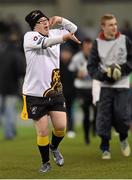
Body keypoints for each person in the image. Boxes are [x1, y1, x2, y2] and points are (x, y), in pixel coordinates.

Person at [21, 10, 80, 173]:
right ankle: (45, 162)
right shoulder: (29, 37)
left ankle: (54, 147)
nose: (45, 22)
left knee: (61, 128)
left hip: (54, 91)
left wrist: (61, 19)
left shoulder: (54, 32)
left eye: (46, 19)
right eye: (41, 21)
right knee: (42, 131)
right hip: (34, 93)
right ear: (34, 26)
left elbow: (74, 28)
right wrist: (64, 38)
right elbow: (45, 43)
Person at [87, 14, 132, 159]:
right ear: (103, 26)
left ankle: (123, 138)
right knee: (104, 116)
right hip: (104, 85)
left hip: (122, 84)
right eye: (110, 24)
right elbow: (91, 67)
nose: (114, 27)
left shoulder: (125, 40)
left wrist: (122, 70)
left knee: (121, 115)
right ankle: (105, 147)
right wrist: (105, 75)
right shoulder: (97, 43)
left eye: (115, 24)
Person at [69, 38, 96, 144]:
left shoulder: (96, 58)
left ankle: (94, 126)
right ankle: (86, 137)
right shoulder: (77, 58)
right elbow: (70, 72)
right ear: (83, 46)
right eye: (86, 45)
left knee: (97, 110)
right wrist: (77, 75)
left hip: (93, 87)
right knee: (86, 112)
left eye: (90, 45)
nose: (88, 47)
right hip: (81, 89)